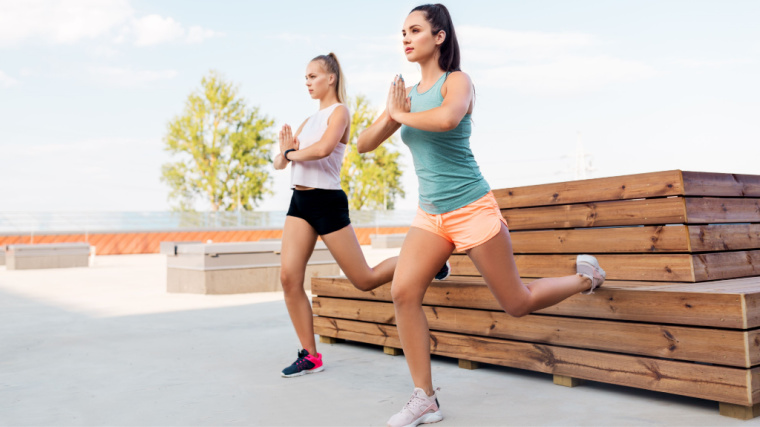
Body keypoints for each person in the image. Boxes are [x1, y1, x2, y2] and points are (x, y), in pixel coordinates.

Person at [356, 5, 607, 426]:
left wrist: (399, 116)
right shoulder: (406, 96)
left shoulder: (458, 82)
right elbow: (364, 143)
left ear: (438, 37)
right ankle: (425, 398)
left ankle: (587, 277)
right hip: (431, 215)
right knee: (403, 292)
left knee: (517, 303)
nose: (405, 37)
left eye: (414, 30)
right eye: (402, 31)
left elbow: (448, 117)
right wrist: (391, 114)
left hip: (471, 208)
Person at [273, 52, 450, 379]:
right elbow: (280, 163)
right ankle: (310, 356)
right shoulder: (304, 122)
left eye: (313, 76)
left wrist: (290, 153)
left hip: (327, 202)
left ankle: (430, 262)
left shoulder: (339, 112)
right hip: (299, 202)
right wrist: (285, 153)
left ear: (331, 78)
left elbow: (323, 149)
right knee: (288, 278)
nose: (308, 82)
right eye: (305, 78)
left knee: (364, 279)